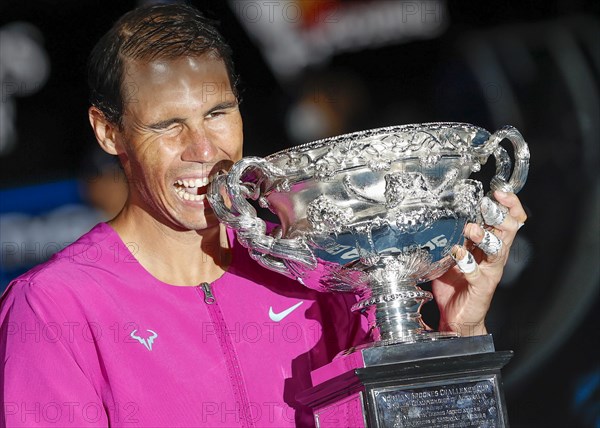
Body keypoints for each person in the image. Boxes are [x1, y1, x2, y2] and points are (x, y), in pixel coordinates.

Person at [0, 3, 528, 427]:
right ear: (109, 132)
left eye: (217, 113)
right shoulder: (54, 307)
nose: (202, 148)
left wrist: (460, 332)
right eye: (167, 125)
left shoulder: (325, 272)